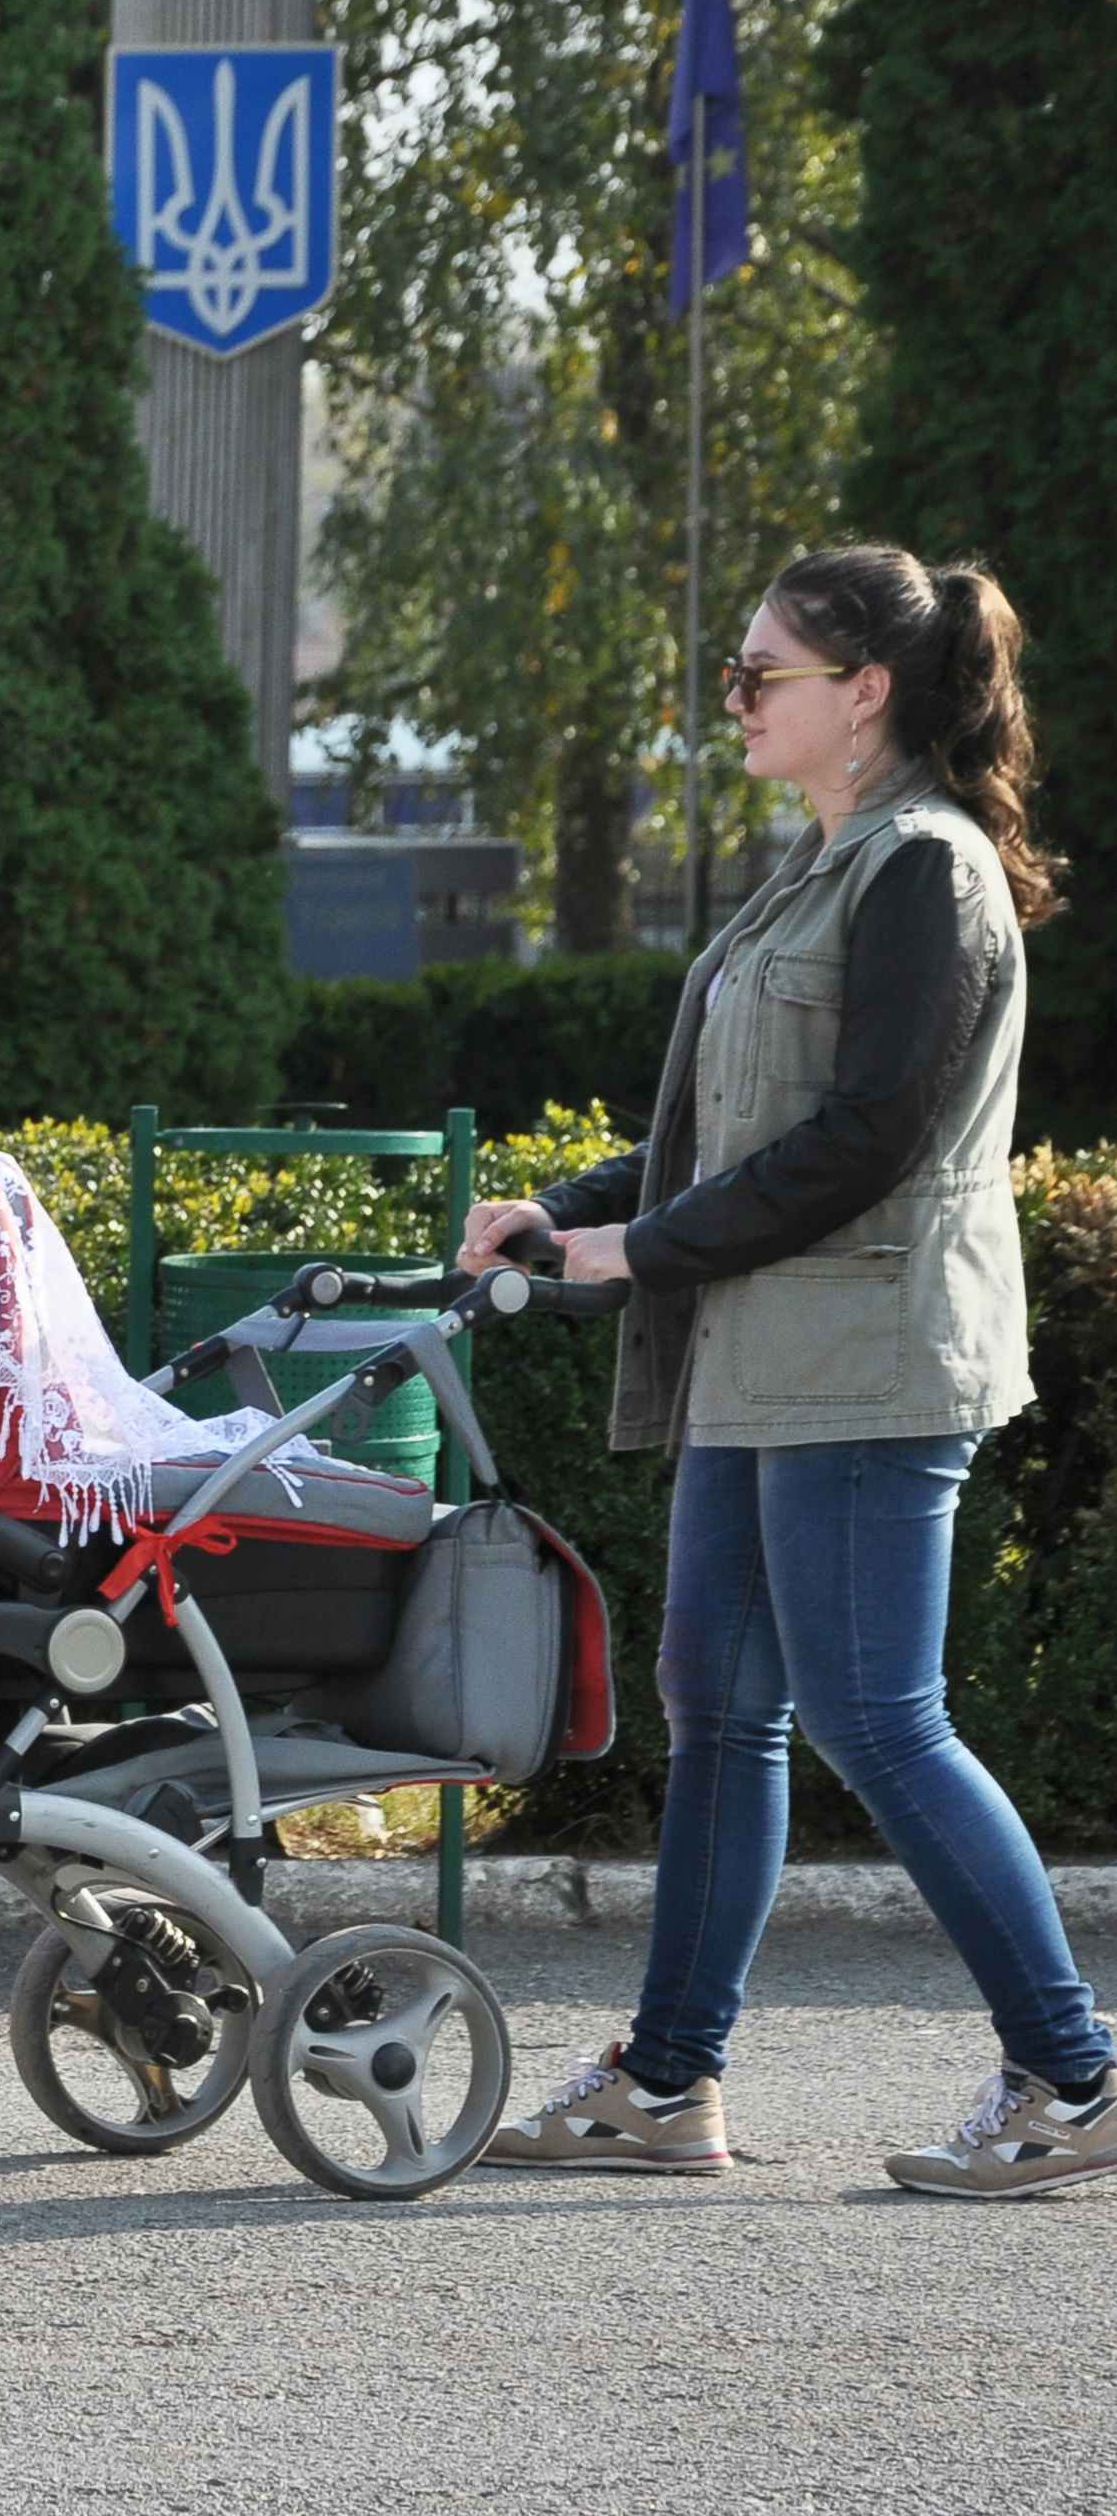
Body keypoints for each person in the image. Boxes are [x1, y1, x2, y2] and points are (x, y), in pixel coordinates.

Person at [467, 545, 1112, 2200]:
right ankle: (663, 2080)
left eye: (758, 673)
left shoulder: (922, 868)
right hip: (765, 1363)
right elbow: (716, 1129)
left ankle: (1073, 2069)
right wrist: (569, 1209)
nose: (731, 699)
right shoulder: (815, 864)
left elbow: (861, 1137)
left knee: (873, 1717)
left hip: (868, 1359)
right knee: (724, 1714)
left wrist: (635, 1254)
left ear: (864, 691)